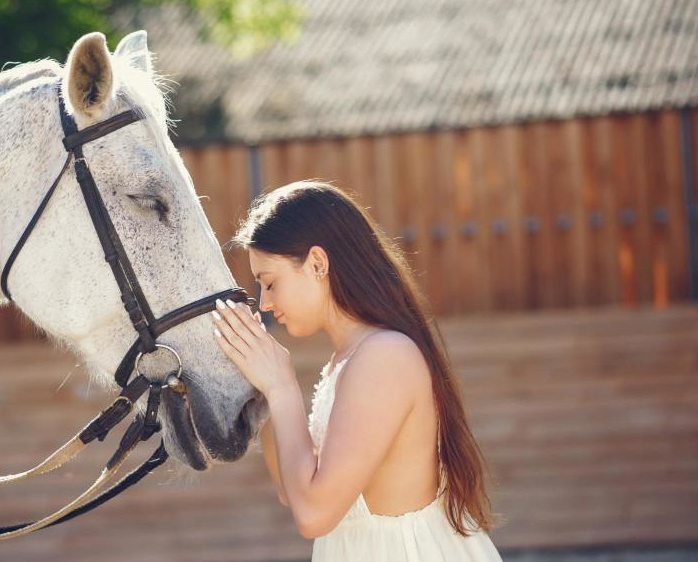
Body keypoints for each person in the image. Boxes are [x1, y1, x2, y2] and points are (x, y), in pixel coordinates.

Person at [210, 181, 505, 561]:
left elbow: (313, 514)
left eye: (270, 283)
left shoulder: (384, 357)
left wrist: (282, 386)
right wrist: (262, 387)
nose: (264, 303)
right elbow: (292, 489)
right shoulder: (349, 361)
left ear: (318, 263)